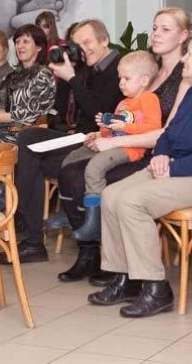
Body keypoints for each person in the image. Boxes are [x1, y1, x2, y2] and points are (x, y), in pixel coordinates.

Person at [89, 30, 192, 318]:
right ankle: (125, 278)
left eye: (191, 53)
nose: (184, 58)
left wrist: (174, 166)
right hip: (171, 166)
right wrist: (161, 154)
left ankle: (156, 287)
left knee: (132, 200)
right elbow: (168, 134)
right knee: (111, 195)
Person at [53, 7, 191, 283]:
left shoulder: (184, 74)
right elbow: (121, 114)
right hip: (129, 143)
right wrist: (105, 135)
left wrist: (116, 140)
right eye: (154, 28)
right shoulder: (145, 67)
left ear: (183, 36)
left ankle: (114, 263)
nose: (156, 34)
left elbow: (166, 131)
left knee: (100, 179)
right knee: (68, 171)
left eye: (165, 29)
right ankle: (90, 251)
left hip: (154, 153)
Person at [7, 19, 122, 263]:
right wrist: (70, 75)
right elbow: (60, 111)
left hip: (98, 141)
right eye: (77, 44)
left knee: (30, 157)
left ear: (104, 40)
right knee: (27, 138)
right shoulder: (87, 67)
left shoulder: (117, 69)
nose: (82, 49)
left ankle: (32, 237)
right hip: (75, 137)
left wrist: (72, 78)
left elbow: (98, 113)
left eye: (87, 42)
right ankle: (32, 235)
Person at [64, 51, 162, 242]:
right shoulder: (123, 103)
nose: (121, 83)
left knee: (95, 166)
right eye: (120, 78)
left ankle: (94, 219)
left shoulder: (149, 99)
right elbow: (112, 131)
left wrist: (125, 126)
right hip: (113, 144)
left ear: (143, 80)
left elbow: (153, 128)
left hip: (131, 149)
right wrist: (99, 132)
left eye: (127, 78)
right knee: (72, 158)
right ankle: (68, 211)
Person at [0, 24, 56, 142]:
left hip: (27, 135)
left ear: (39, 47)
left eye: (25, 41)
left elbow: (29, 114)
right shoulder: (11, 75)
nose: (20, 46)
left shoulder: (43, 75)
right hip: (6, 129)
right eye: (17, 42)